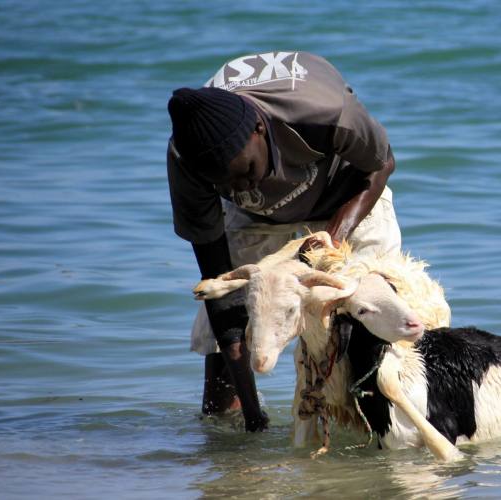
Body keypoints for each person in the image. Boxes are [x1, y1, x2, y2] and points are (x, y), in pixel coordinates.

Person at [166, 51, 402, 432]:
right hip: (257, 219)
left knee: (371, 308)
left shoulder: (325, 112)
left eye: (245, 172)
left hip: (344, 191)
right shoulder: (185, 160)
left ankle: (384, 423)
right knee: (229, 315)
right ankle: (224, 441)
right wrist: (253, 418)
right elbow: (220, 292)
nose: (238, 188)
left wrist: (333, 241)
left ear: (259, 128)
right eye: (220, 185)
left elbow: (381, 164)